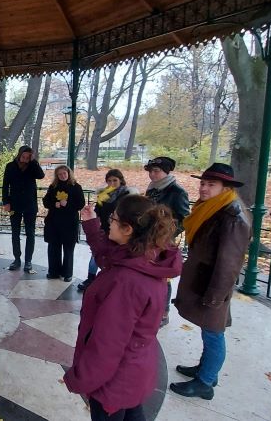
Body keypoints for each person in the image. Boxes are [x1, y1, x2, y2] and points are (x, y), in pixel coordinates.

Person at [63, 195, 182, 421]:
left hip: (114, 380)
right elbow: (108, 256)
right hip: (135, 371)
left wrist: (79, 378)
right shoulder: (145, 257)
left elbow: (108, 343)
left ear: (127, 229)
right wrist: (91, 225)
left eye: (113, 218)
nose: (109, 222)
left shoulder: (126, 281)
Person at [170, 163, 251, 401]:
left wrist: (215, 295)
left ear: (225, 188)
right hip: (205, 279)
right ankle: (206, 369)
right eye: (203, 183)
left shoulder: (232, 215)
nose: (204, 189)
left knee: (214, 332)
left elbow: (229, 262)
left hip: (213, 284)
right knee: (209, 331)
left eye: (211, 185)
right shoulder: (213, 207)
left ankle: (205, 382)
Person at [144, 156, 190, 327]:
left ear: (166, 172)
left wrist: (167, 234)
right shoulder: (153, 189)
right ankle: (151, 306)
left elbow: (185, 218)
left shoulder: (177, 192)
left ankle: (163, 311)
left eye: (156, 171)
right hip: (149, 237)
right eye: (151, 171)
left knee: (163, 275)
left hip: (164, 241)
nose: (152, 175)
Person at [78, 169, 136, 292]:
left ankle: (110, 280)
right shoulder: (104, 195)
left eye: (115, 180)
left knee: (114, 257)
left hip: (119, 232)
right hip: (104, 229)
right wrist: (92, 213)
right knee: (96, 254)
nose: (112, 183)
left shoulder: (126, 196)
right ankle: (91, 278)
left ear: (121, 181)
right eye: (109, 181)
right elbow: (98, 212)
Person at [2, 145, 45, 272]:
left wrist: (34, 161)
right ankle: (17, 259)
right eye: (23, 156)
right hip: (14, 205)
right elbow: (5, 185)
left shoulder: (32, 166)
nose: (25, 159)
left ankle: (28, 261)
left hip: (30, 205)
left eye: (28, 157)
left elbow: (41, 175)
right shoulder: (10, 166)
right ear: (19, 155)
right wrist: (6, 202)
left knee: (30, 233)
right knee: (15, 233)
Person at [42, 165, 85, 282]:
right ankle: (53, 272)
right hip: (54, 222)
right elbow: (45, 201)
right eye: (60, 174)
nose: (62, 176)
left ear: (68, 173)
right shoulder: (53, 187)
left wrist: (68, 204)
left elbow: (81, 203)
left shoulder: (76, 187)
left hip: (70, 223)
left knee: (68, 249)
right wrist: (54, 204)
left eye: (64, 173)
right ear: (57, 176)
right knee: (53, 248)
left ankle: (67, 273)